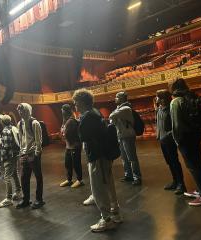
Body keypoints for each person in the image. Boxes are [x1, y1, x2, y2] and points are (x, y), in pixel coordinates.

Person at [73, 89, 121, 232]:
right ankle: (116, 214)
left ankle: (106, 219)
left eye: (76, 103)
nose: (75, 106)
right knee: (108, 185)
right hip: (104, 155)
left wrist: (78, 122)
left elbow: (82, 137)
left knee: (98, 189)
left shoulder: (87, 117)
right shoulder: (96, 112)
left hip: (97, 157)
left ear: (82, 102)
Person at [170, 78, 201, 206]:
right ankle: (199, 190)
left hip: (185, 138)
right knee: (198, 162)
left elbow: (177, 125)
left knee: (192, 166)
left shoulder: (176, 101)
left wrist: (177, 141)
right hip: (196, 135)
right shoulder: (190, 97)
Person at [155, 89, 186, 194]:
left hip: (169, 140)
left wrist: (168, 136)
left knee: (174, 162)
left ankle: (181, 184)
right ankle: (175, 181)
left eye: (158, 97)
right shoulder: (159, 109)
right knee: (169, 162)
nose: (156, 99)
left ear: (163, 99)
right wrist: (158, 135)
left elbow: (175, 125)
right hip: (162, 140)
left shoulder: (170, 109)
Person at [15, 103, 45, 209]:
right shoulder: (20, 124)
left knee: (38, 177)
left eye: (22, 110)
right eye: (19, 110)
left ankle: (39, 199)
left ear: (27, 110)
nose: (20, 112)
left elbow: (38, 141)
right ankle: (26, 200)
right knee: (24, 178)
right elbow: (21, 140)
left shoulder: (34, 123)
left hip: (33, 154)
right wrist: (21, 153)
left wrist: (36, 154)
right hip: (24, 154)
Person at [109, 91, 142, 185]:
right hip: (121, 135)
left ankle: (137, 177)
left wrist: (114, 116)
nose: (115, 99)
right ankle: (128, 175)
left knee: (131, 157)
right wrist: (114, 116)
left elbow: (112, 116)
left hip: (128, 135)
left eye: (117, 97)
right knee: (124, 158)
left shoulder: (126, 108)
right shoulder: (119, 109)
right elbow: (111, 121)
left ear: (122, 98)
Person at [0, 114, 23, 208]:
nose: (0, 121)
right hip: (15, 155)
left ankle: (8, 199)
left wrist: (3, 158)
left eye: (1, 120)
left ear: (3, 122)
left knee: (7, 177)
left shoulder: (5, 130)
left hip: (9, 157)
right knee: (14, 173)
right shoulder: (13, 128)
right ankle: (18, 191)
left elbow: (6, 147)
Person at [59, 104, 84, 188]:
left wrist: (63, 133)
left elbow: (66, 134)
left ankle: (80, 180)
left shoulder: (71, 121)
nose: (62, 112)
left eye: (62, 110)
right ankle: (69, 180)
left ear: (66, 111)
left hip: (75, 146)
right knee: (68, 164)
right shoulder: (66, 120)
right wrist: (63, 133)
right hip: (69, 146)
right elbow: (63, 132)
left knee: (76, 164)